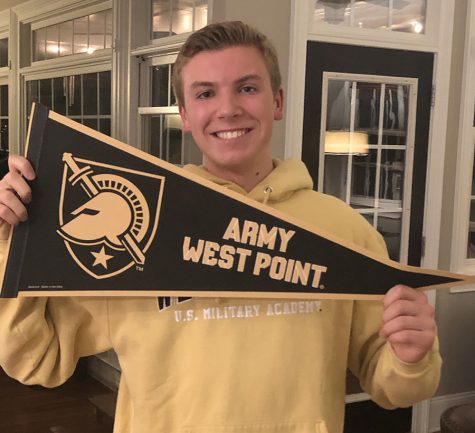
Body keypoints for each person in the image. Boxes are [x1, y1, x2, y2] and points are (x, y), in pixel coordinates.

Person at [0, 21, 440, 433]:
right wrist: (12, 239)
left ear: (278, 101)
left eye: (247, 88)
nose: (228, 109)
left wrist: (410, 356)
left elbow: (394, 388)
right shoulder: (144, 225)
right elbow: (37, 359)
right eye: (205, 93)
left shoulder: (345, 232)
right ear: (185, 114)